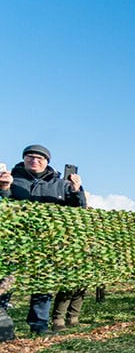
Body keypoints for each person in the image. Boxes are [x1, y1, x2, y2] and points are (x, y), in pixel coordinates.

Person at [0, 144, 87, 335]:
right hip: (14, 240)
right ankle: (2, 324)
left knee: (43, 283)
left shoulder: (59, 183)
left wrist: (76, 190)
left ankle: (39, 325)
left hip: (46, 242)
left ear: (47, 161)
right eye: (30, 156)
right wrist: (5, 188)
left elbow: (77, 210)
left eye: (40, 158)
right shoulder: (12, 178)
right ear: (23, 159)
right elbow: (3, 208)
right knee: (6, 281)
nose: (34, 160)